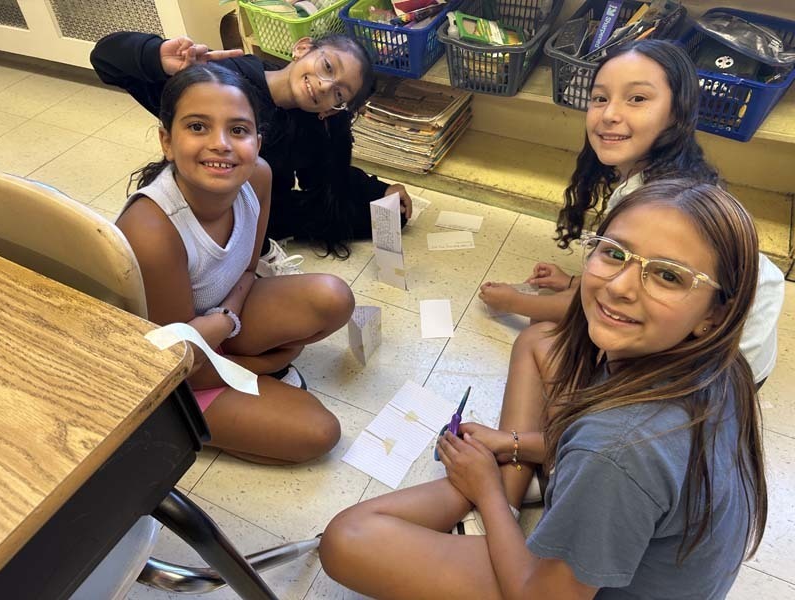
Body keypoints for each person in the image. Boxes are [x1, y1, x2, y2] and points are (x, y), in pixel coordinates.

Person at [319, 179, 768, 599]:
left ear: (716, 313)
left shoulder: (615, 449)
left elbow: (541, 595)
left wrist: (488, 493)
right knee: (540, 339)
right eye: (614, 252)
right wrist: (511, 444)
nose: (621, 286)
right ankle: (505, 497)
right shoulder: (719, 365)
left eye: (668, 275)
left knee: (346, 539)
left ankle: (498, 502)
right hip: (627, 528)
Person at [478, 39, 784, 385]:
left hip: (712, 372)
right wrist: (574, 282)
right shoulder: (661, 179)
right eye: (600, 98)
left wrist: (513, 301)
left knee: (539, 333)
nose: (609, 114)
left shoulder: (656, 204)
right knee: (552, 317)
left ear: (676, 113)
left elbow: (605, 307)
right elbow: (646, 278)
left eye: (637, 98)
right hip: (716, 346)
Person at [117, 61, 355, 464]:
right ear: (167, 141)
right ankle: (171, 423)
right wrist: (263, 362)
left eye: (238, 130)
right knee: (318, 433)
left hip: (216, 318)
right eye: (197, 127)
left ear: (258, 143)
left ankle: (236, 371)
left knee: (334, 297)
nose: (221, 144)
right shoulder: (153, 231)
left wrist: (226, 318)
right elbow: (174, 362)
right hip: (168, 371)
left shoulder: (258, 176)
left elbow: (247, 270)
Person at [91, 31, 412, 269]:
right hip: (197, 205)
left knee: (383, 216)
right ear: (302, 48)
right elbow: (105, 59)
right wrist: (158, 56)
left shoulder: (312, 120)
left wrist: (381, 189)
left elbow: (327, 178)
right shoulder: (224, 79)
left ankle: (254, 253)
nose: (326, 85)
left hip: (260, 211)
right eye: (327, 66)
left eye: (339, 93)